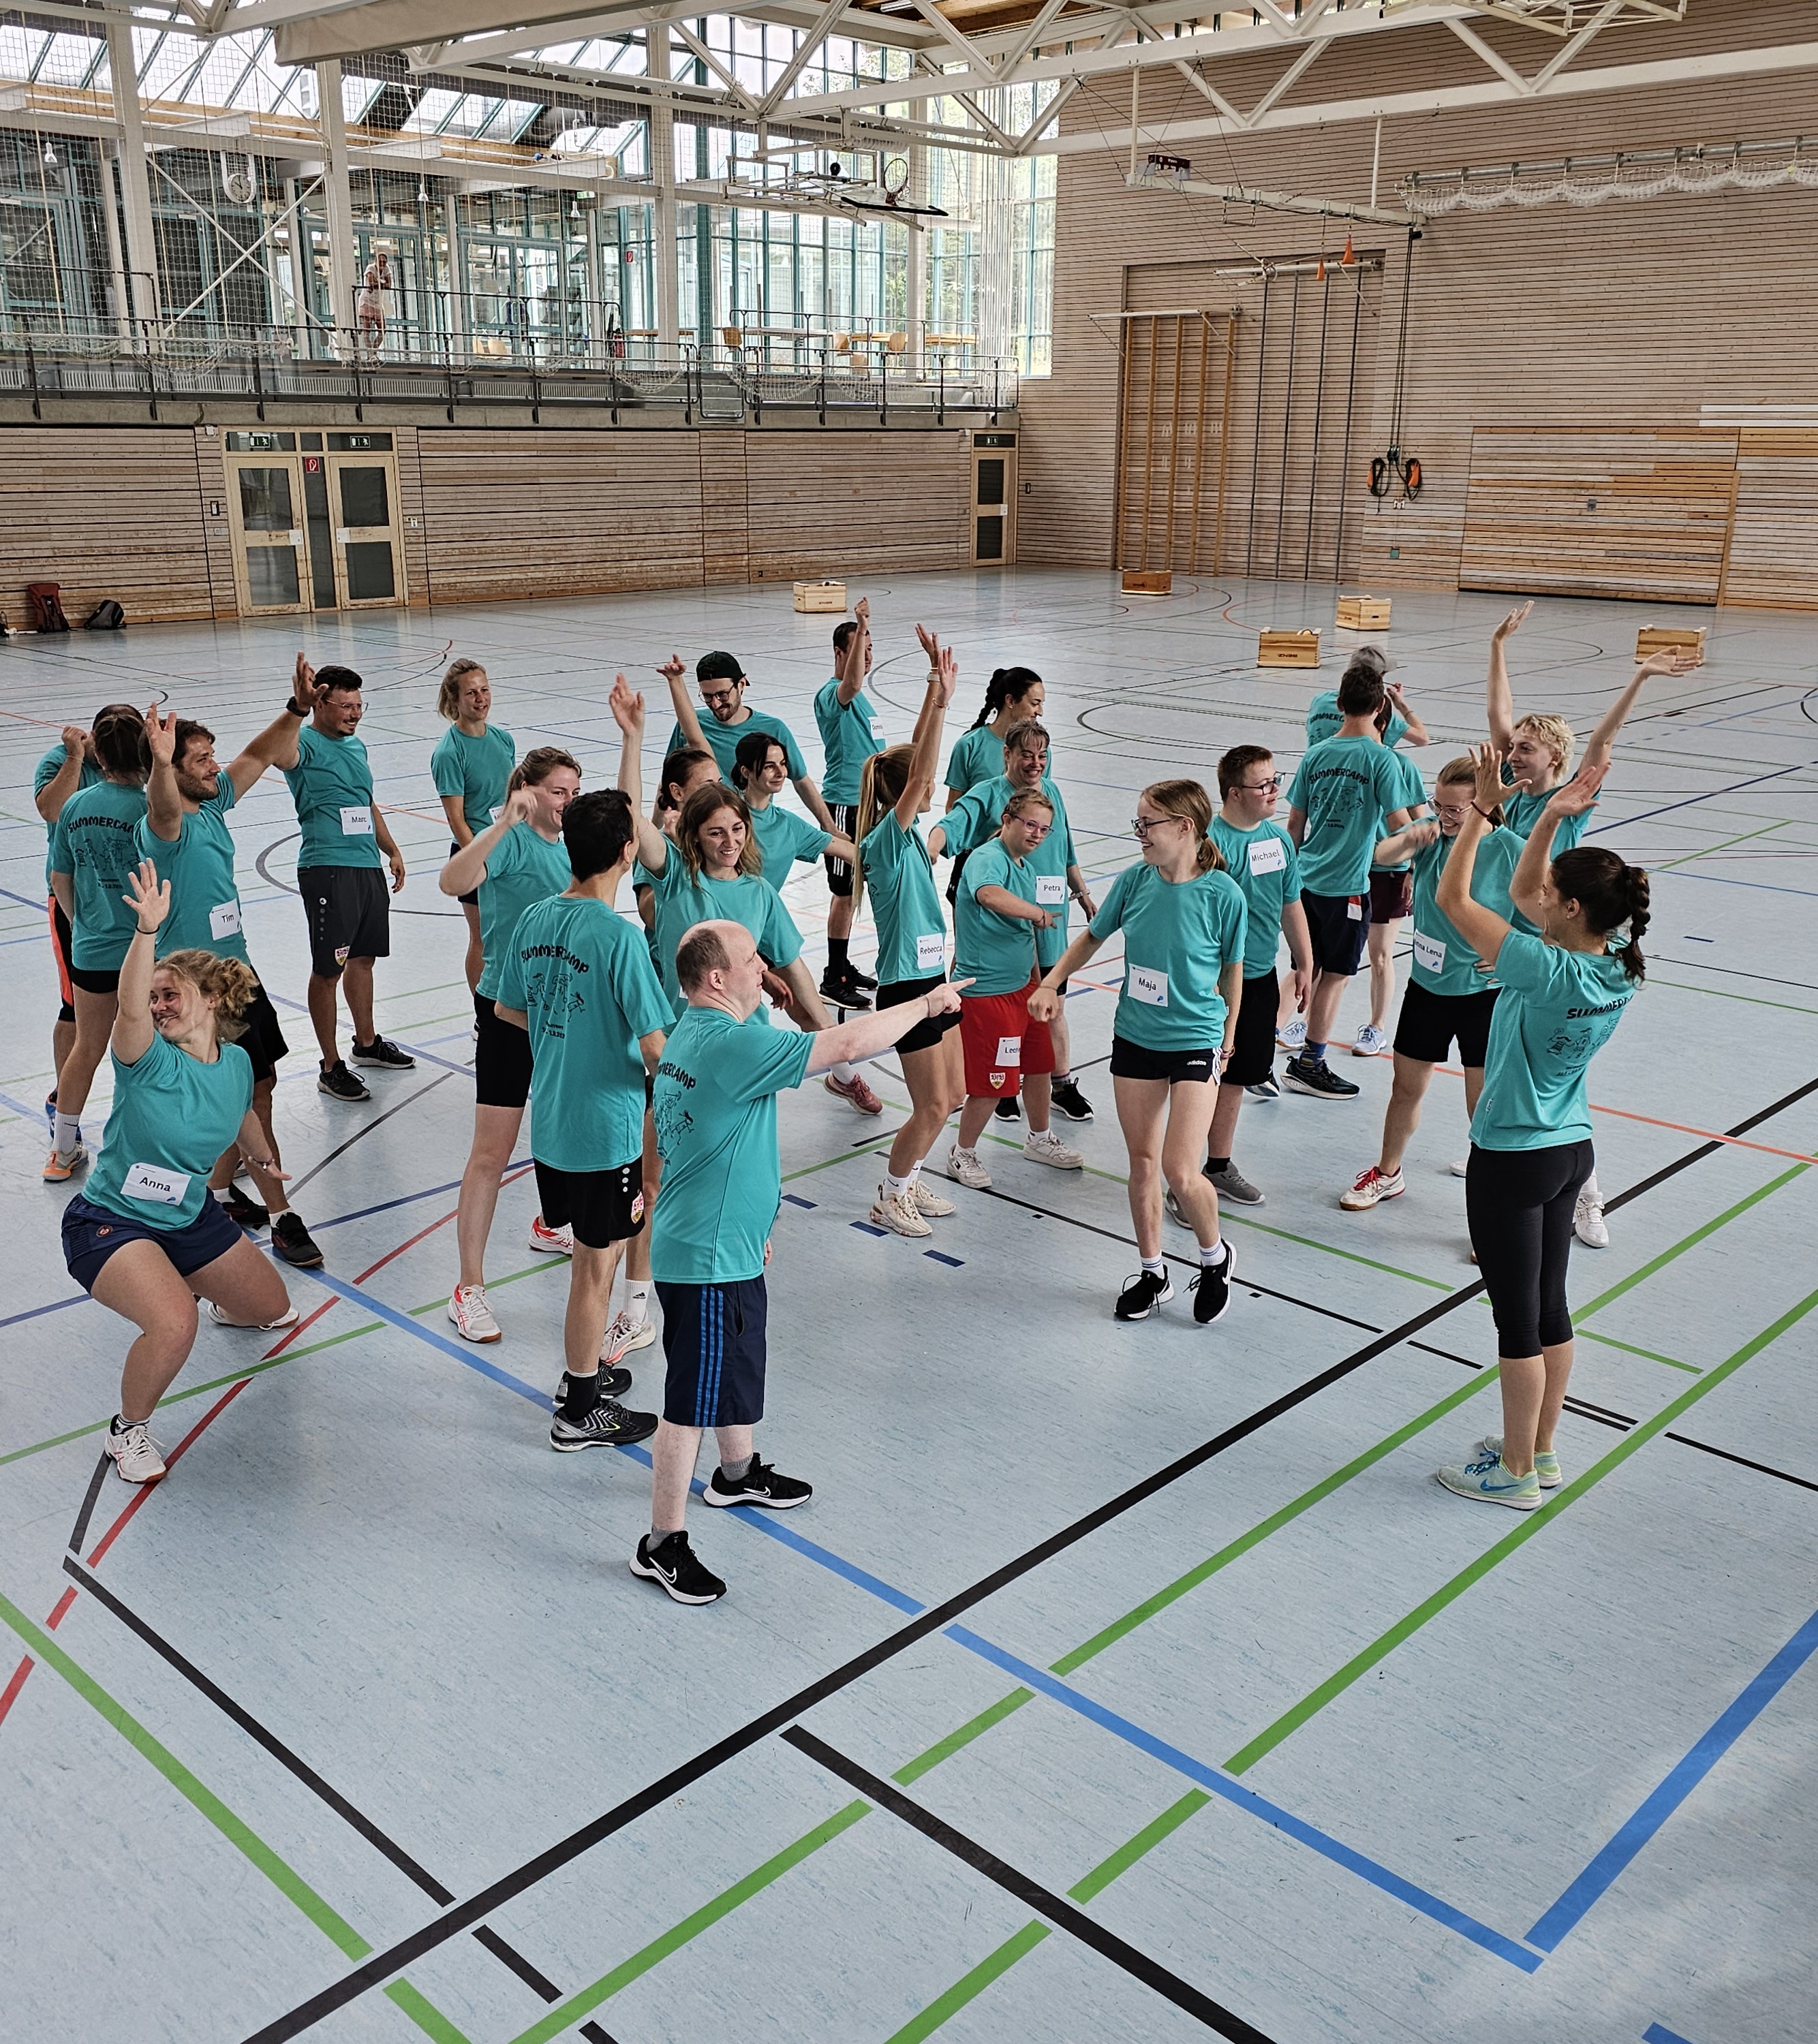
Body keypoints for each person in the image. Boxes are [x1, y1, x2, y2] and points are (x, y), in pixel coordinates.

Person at [633, 918, 966, 1604]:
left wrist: (748, 1221)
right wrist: (927, 1005)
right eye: (750, 959)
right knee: (687, 1404)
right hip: (704, 1260)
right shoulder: (732, 1044)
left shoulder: (691, 1031)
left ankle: (737, 1473)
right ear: (716, 979)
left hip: (722, 1242)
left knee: (734, 1365)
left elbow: (683, 1145)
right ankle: (661, 1543)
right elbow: (844, 1043)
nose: (765, 967)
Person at [1430, 747, 1647, 1510]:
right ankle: (1541, 1451)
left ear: (1572, 912)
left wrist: (1480, 818)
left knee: (1515, 1324)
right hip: (1571, 1150)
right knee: (1551, 1306)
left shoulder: (1543, 968)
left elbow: (1455, 900)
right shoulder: (1616, 957)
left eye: (1555, 894)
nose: (1539, 895)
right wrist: (1548, 818)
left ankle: (1514, 1474)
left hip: (1512, 1157)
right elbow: (1526, 887)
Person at [62, 861, 298, 1486]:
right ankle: (128, 1431)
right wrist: (146, 936)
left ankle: (187, 1279)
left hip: (189, 1213)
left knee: (272, 1310)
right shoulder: (146, 1058)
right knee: (173, 1322)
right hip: (111, 1221)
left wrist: (262, 1154)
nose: (159, 1004)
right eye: (155, 995)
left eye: (173, 994)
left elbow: (242, 1110)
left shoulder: (237, 1062)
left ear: (213, 1000)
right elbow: (129, 1011)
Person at [1486, 605, 1693, 1248]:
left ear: (1554, 759)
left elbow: (1600, 746)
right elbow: (1499, 717)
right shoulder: (1513, 791)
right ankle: (1508, 1158)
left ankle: (1587, 1193)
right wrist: (1497, 646)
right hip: (1522, 946)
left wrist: (1639, 678)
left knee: (1559, 1073)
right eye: (1512, 745)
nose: (1512, 751)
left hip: (1561, 947)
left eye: (1525, 747)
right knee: (1518, 1068)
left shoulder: (1563, 806)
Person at [1031, 781, 1247, 1325]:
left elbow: (1234, 970)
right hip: (1136, 1037)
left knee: (1180, 1168)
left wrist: (1228, 1038)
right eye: (1137, 824)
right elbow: (1091, 938)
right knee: (1143, 1163)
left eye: (1147, 825)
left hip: (1196, 1040)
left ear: (1185, 828)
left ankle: (1214, 1257)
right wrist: (1052, 983)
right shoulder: (1134, 882)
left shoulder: (1224, 895)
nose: (1139, 835)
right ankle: (1153, 1274)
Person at [496, 788, 669, 1451]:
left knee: (589, 1265)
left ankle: (584, 1376)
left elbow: (511, 1011)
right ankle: (577, 1409)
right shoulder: (620, 939)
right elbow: (656, 1049)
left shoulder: (537, 918)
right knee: (595, 1271)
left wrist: (564, 1029)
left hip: (555, 1126)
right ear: (628, 853)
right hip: (606, 1132)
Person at [139, 706, 324, 1269]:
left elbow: (259, 754)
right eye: (201, 759)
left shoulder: (214, 803)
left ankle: (217, 1194)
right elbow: (163, 803)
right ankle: (282, 1216)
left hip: (237, 975)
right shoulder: (164, 825)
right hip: (196, 989)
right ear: (173, 769)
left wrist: (296, 710)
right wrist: (164, 763)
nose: (215, 766)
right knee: (242, 1096)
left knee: (257, 1084)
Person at [628, 739, 883, 1115]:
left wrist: (830, 1030)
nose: (729, 841)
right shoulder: (676, 873)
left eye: (737, 829)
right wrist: (633, 737)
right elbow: (629, 816)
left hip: (745, 1036)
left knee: (743, 1129)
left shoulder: (760, 892)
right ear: (695, 834)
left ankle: (841, 1077)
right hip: (681, 1034)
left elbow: (794, 967)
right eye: (716, 832)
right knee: (674, 1128)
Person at [439, 748, 585, 1344]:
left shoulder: (577, 843)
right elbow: (454, 882)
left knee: (563, 1131)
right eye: (557, 792)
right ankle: (467, 1287)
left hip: (567, 1014)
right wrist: (502, 822)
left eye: (573, 791)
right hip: (508, 1011)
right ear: (527, 790)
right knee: (490, 1153)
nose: (567, 802)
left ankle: (552, 1223)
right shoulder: (513, 841)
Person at [1338, 757, 1524, 1213]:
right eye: (1437, 805)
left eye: (1455, 810)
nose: (1443, 817)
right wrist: (1406, 839)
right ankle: (1388, 1172)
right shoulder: (1430, 834)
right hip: (1427, 989)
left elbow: (1541, 918)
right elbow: (1381, 857)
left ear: (1485, 805)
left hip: (1484, 996)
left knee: (1482, 1104)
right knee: (1406, 1089)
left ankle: (1492, 1204)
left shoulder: (1511, 850)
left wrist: (1512, 954)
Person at [1152, 743, 1312, 1217]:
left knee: (1239, 1076)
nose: (1275, 791)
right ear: (1234, 792)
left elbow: (1290, 902)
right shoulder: (1209, 846)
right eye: (1265, 784)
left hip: (1259, 978)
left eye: (1276, 780)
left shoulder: (1278, 841)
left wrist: (1303, 961)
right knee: (1202, 1081)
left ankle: (1217, 1167)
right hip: (1209, 986)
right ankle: (1182, 1180)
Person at [929, 715, 1096, 1125]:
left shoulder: (1051, 792)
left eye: (1042, 755)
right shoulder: (991, 796)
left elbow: (1067, 850)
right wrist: (927, 849)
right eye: (1026, 755)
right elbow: (951, 824)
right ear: (1007, 754)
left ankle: (1060, 1084)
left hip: (1052, 925)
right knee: (1002, 1007)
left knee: (1049, 1007)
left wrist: (1083, 892)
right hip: (1010, 928)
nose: (1035, 763)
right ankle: (1002, 1084)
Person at [853, 637, 966, 1238]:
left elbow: (916, 769)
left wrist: (935, 697)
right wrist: (937, 695)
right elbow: (923, 768)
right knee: (928, 1105)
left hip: (935, 979)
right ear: (908, 794)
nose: (928, 790)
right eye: (919, 788)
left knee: (951, 1095)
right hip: (906, 992)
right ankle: (890, 1194)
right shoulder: (885, 844)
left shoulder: (913, 840)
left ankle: (911, 1174)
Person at [268, 656, 414, 1100]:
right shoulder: (304, 745)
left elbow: (366, 803)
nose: (353, 713)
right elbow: (279, 752)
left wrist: (390, 849)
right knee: (327, 970)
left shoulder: (357, 746)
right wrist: (295, 706)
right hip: (327, 869)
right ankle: (330, 1066)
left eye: (358, 706)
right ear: (321, 703)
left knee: (364, 958)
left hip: (366, 866)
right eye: (345, 706)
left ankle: (366, 1044)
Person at [1282, 663, 1413, 1100]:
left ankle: (1263, 1055)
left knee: (1304, 967)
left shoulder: (1314, 755)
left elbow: (1294, 825)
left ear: (1339, 706)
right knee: (1335, 976)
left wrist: (1286, 877)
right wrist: (1425, 836)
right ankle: (1311, 1063)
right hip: (1348, 888)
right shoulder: (1382, 760)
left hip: (1304, 881)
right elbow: (1399, 825)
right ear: (1381, 708)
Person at [942, 788, 1083, 1189]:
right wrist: (1038, 912)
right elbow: (988, 895)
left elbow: (1029, 936)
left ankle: (1039, 1139)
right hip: (989, 994)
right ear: (1007, 820)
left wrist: (1044, 985)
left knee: (1040, 1065)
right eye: (1031, 825)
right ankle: (963, 1152)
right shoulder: (988, 858)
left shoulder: (1027, 868)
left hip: (1026, 988)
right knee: (995, 1081)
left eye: (1045, 829)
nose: (1038, 834)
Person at [45, 704, 151, 1181]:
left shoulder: (75, 805)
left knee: (87, 1047)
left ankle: (63, 1151)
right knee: (150, 1050)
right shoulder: (151, 810)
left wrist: (80, 924)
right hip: (141, 951)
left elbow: (59, 874)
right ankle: (147, 1147)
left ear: (99, 757)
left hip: (89, 948)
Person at [33, 711, 110, 1145]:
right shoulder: (60, 760)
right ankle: (64, 1107)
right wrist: (76, 759)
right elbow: (51, 809)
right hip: (75, 904)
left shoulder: (131, 761)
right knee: (76, 1009)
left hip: (130, 906)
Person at [662, 647, 835, 837]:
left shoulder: (772, 730)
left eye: (722, 695)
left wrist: (830, 827)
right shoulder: (690, 725)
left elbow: (801, 781)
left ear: (741, 685)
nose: (716, 704)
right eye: (708, 697)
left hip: (751, 831)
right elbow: (667, 784)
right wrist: (653, 830)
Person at [814, 597, 889, 1006]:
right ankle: (832, 976)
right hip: (844, 804)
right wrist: (860, 624)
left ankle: (844, 965)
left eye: (872, 646)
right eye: (861, 646)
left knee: (860, 888)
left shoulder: (864, 701)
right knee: (843, 892)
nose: (868, 653)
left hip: (870, 805)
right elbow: (853, 683)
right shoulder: (833, 694)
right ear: (841, 653)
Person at [431, 657, 515, 997]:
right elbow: (457, 818)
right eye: (471, 693)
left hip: (509, 849)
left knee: (511, 931)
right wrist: (478, 861)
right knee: (481, 936)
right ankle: (483, 1011)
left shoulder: (503, 739)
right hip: (474, 852)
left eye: (484, 690)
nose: (481, 699)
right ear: (455, 700)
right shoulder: (449, 753)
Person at [730, 731, 857, 903]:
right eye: (769, 766)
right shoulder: (727, 816)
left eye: (782, 764)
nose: (781, 773)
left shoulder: (788, 824)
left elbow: (850, 852)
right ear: (746, 772)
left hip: (762, 918)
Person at [944, 664, 1047, 807]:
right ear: (1010, 701)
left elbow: (1041, 804)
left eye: (1041, 704)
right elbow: (953, 807)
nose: (1040, 712)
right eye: (1034, 703)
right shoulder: (969, 745)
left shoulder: (1040, 751)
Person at [356, 246, 390, 359]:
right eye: (380, 261)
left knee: (382, 329)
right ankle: (370, 352)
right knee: (367, 328)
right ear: (376, 261)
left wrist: (377, 283)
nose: (382, 263)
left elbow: (389, 286)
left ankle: (373, 350)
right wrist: (381, 282)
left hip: (377, 303)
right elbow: (371, 283)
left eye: (384, 262)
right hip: (367, 301)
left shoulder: (386, 270)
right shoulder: (371, 268)